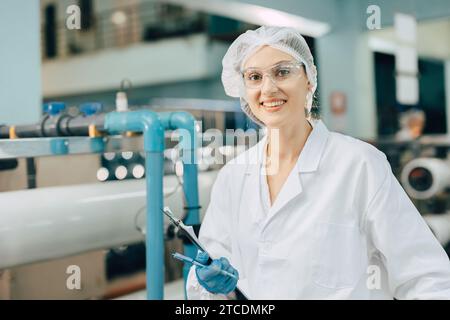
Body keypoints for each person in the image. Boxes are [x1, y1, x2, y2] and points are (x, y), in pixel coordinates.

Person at [186, 26, 450, 299]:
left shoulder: (360, 165)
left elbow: (426, 277)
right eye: (254, 77)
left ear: (309, 80)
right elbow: (206, 273)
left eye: (282, 72)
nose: (268, 88)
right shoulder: (233, 175)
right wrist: (207, 282)